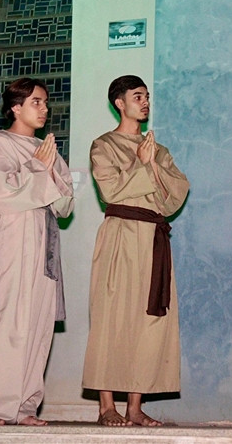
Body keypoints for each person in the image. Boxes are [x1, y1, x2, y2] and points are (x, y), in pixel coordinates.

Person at [0, 78, 74, 426]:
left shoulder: (46, 148)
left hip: (43, 237)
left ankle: (24, 406)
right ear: (15, 107)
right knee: (6, 319)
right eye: (36, 102)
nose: (44, 109)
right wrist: (39, 168)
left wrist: (48, 168)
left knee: (37, 323)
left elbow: (65, 204)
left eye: (46, 102)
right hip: (12, 236)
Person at [82, 75, 190, 427]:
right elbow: (112, 191)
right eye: (137, 96)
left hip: (152, 238)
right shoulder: (104, 145)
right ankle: (106, 406)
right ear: (120, 103)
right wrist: (141, 165)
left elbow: (175, 195)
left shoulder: (158, 150)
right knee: (112, 315)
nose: (145, 102)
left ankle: (134, 406)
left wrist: (152, 163)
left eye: (147, 97)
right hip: (121, 234)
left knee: (148, 319)